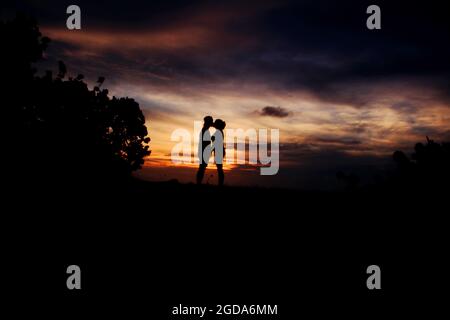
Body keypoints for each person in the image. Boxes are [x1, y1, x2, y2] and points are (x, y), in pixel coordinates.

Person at [196, 116, 214, 184]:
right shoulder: (205, 130)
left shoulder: (205, 129)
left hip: (203, 151)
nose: (212, 123)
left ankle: (198, 183)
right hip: (204, 152)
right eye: (211, 122)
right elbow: (206, 143)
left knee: (202, 168)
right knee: (202, 168)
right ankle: (198, 183)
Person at [212, 119, 226, 186]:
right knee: (219, 168)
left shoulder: (218, 132)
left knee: (220, 169)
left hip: (219, 151)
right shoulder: (219, 131)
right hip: (219, 151)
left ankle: (220, 184)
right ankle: (220, 184)